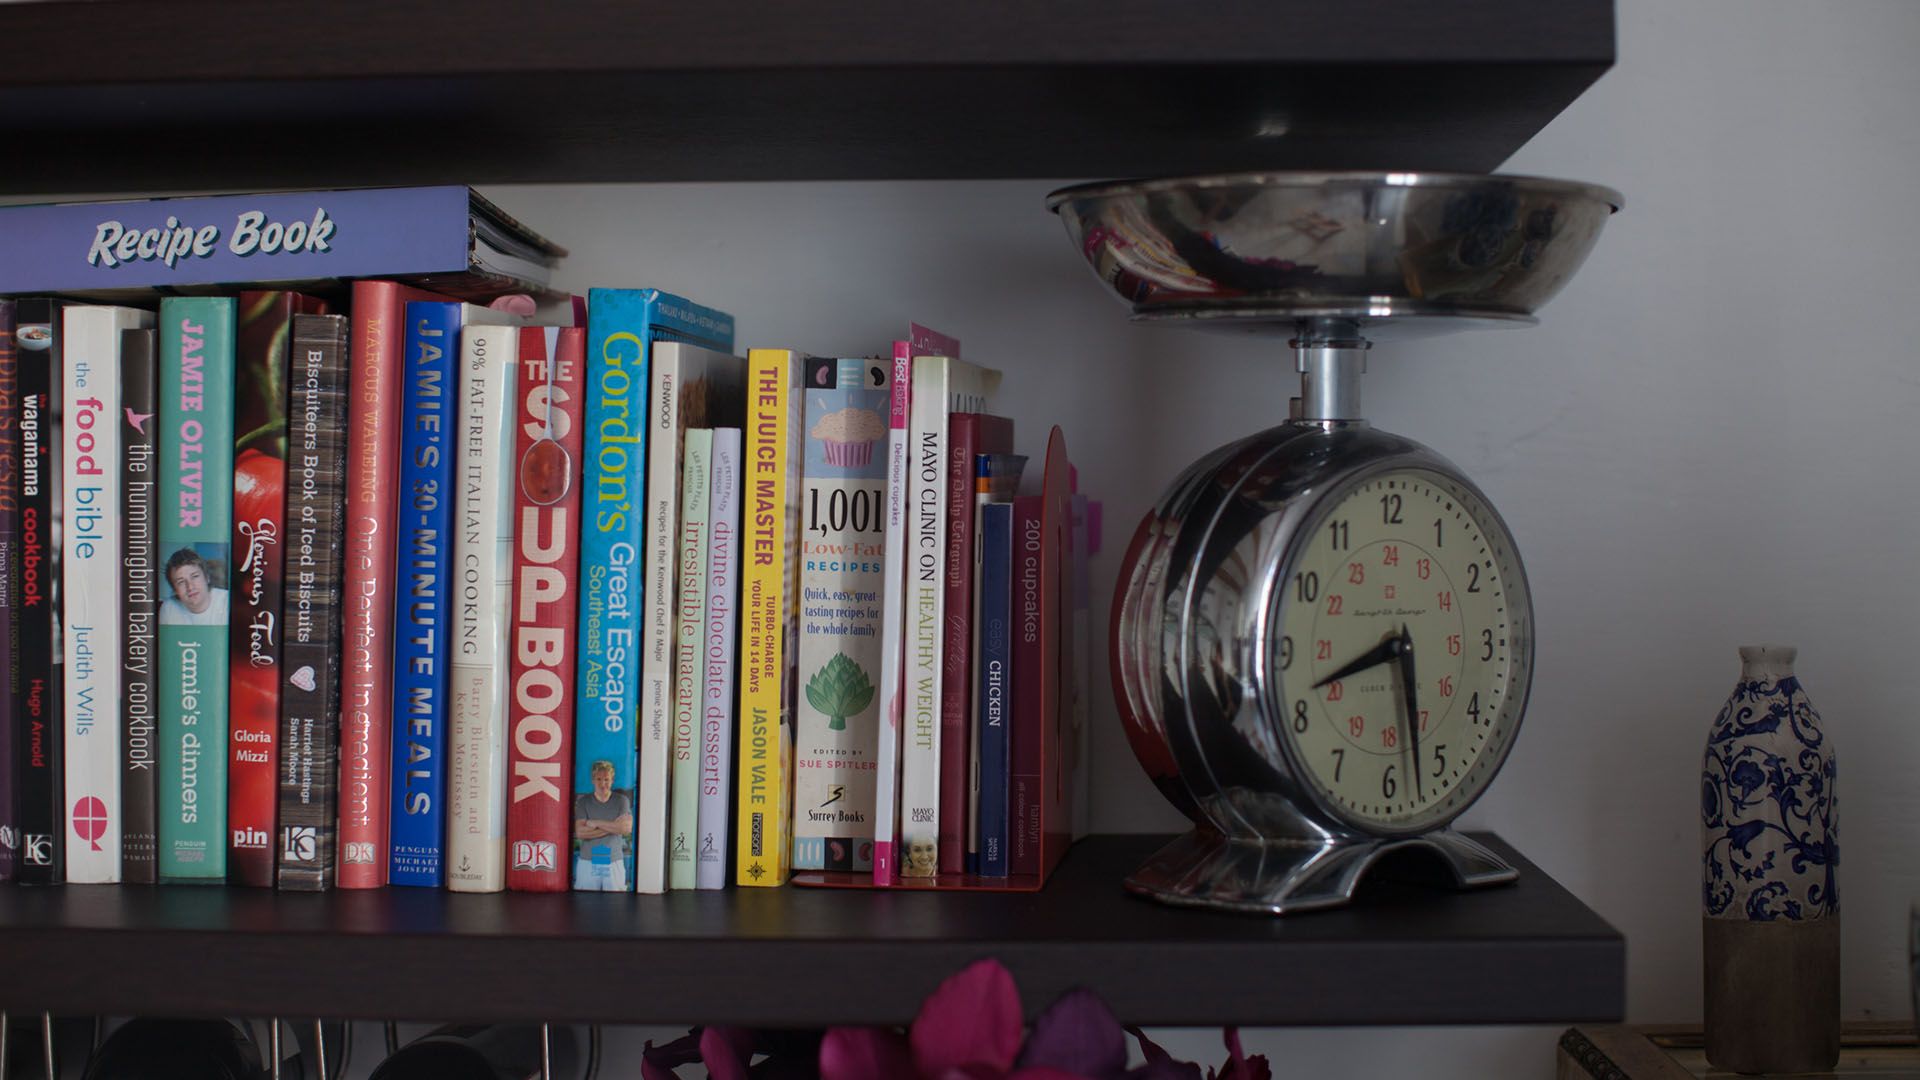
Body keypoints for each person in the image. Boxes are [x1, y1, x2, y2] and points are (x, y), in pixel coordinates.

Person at [573, 759, 632, 891]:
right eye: (599, 779)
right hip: (588, 860)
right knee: (585, 904)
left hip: (613, 861)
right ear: (593, 780)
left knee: (614, 905)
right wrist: (613, 827)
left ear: (612, 780)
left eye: (606, 779)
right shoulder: (584, 802)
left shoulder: (621, 801)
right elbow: (580, 833)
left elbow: (625, 829)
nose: (602, 783)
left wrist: (595, 823)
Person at [159, 549, 230, 626]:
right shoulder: (168, 608)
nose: (190, 587)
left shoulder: (226, 601)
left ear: (207, 578)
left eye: (195, 576)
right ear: (175, 590)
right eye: (181, 582)